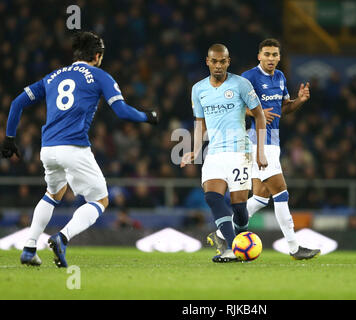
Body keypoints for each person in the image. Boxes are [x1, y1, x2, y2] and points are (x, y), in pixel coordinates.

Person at [1, 31, 158, 267]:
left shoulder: (53, 76)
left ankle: (29, 248)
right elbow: (122, 111)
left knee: (52, 194)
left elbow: (16, 103)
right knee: (100, 200)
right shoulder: (99, 76)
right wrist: (148, 117)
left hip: (48, 149)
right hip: (73, 148)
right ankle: (62, 237)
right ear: (97, 55)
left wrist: (10, 138)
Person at [210, 39, 320, 260]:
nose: (271, 59)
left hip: (273, 141)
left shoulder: (280, 78)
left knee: (261, 197)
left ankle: (222, 234)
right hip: (255, 140)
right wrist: (257, 113)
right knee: (281, 192)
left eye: (275, 55)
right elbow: (232, 107)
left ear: (279, 57)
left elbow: (283, 108)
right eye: (267, 54)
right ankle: (294, 247)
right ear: (259, 56)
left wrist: (300, 101)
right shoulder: (248, 77)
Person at [180, 44, 267, 263]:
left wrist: (261, 152)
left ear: (228, 62)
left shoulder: (241, 84)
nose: (218, 65)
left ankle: (240, 238)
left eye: (223, 61)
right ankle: (230, 248)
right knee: (212, 197)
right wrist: (194, 150)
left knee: (239, 207)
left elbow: (259, 116)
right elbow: (200, 123)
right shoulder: (198, 89)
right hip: (215, 153)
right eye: (214, 61)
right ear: (207, 62)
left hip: (240, 152)